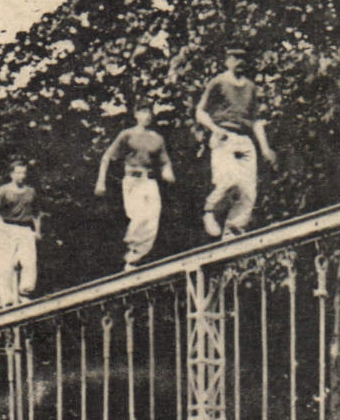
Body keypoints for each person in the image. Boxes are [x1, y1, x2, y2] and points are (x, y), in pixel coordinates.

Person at [195, 47, 277, 238]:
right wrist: (215, 129)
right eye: (235, 58)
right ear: (227, 61)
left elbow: (256, 120)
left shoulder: (250, 87)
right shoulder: (219, 82)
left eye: (243, 58)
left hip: (244, 138)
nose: (239, 62)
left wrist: (265, 148)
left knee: (248, 189)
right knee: (228, 180)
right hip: (224, 135)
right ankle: (210, 210)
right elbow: (200, 112)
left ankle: (233, 229)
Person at [95, 102, 176, 268]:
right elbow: (107, 157)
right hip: (133, 180)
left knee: (153, 219)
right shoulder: (127, 134)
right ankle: (130, 246)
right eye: (143, 112)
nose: (146, 116)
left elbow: (165, 161)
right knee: (139, 216)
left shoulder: (157, 138)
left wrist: (168, 172)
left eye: (149, 112)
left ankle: (135, 256)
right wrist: (100, 182)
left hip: (150, 181)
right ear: (136, 114)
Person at [0, 161, 40, 307]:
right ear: (11, 174)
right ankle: (7, 298)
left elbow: (36, 213)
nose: (21, 176)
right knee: (5, 265)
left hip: (25, 228)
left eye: (23, 172)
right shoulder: (3, 191)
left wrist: (37, 231)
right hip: (7, 227)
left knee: (29, 262)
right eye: (18, 172)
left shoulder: (31, 191)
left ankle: (25, 292)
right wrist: (1, 227)